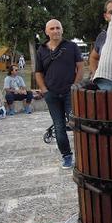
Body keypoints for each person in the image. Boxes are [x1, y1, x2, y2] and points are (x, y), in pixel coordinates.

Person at [35, 19, 84, 168]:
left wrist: (74, 86)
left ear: (62, 30)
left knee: (75, 123)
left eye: (58, 28)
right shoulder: (41, 50)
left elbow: (80, 68)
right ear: (46, 32)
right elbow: (38, 73)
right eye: (52, 28)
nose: (55, 31)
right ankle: (67, 156)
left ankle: (84, 154)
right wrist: (44, 90)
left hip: (70, 93)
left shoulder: (72, 46)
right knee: (59, 127)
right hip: (52, 94)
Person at [89, 0, 112, 78]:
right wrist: (95, 74)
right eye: (111, 12)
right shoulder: (102, 36)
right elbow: (93, 57)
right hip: (107, 86)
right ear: (106, 16)